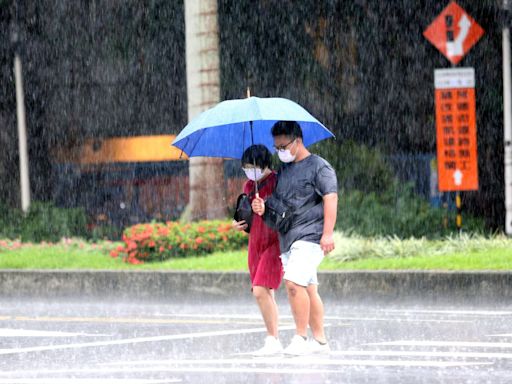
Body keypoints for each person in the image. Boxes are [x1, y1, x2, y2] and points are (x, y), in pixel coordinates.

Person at [252, 121, 338, 356]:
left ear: (297, 141)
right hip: (287, 238)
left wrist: (327, 233)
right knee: (309, 288)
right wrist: (263, 207)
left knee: (293, 284)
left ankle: (300, 337)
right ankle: (320, 341)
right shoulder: (285, 172)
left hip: (310, 236)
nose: (279, 151)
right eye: (276, 147)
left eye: (283, 146)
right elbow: (280, 208)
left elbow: (331, 197)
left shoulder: (319, 167)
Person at [232, 144, 284, 356]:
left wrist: (267, 205)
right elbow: (251, 218)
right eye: (245, 167)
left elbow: (284, 210)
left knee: (261, 290)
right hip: (256, 243)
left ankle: (272, 339)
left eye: (252, 166)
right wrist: (240, 222)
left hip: (275, 241)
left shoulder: (279, 181)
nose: (249, 171)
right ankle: (274, 338)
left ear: (264, 165)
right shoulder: (248, 186)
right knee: (264, 292)